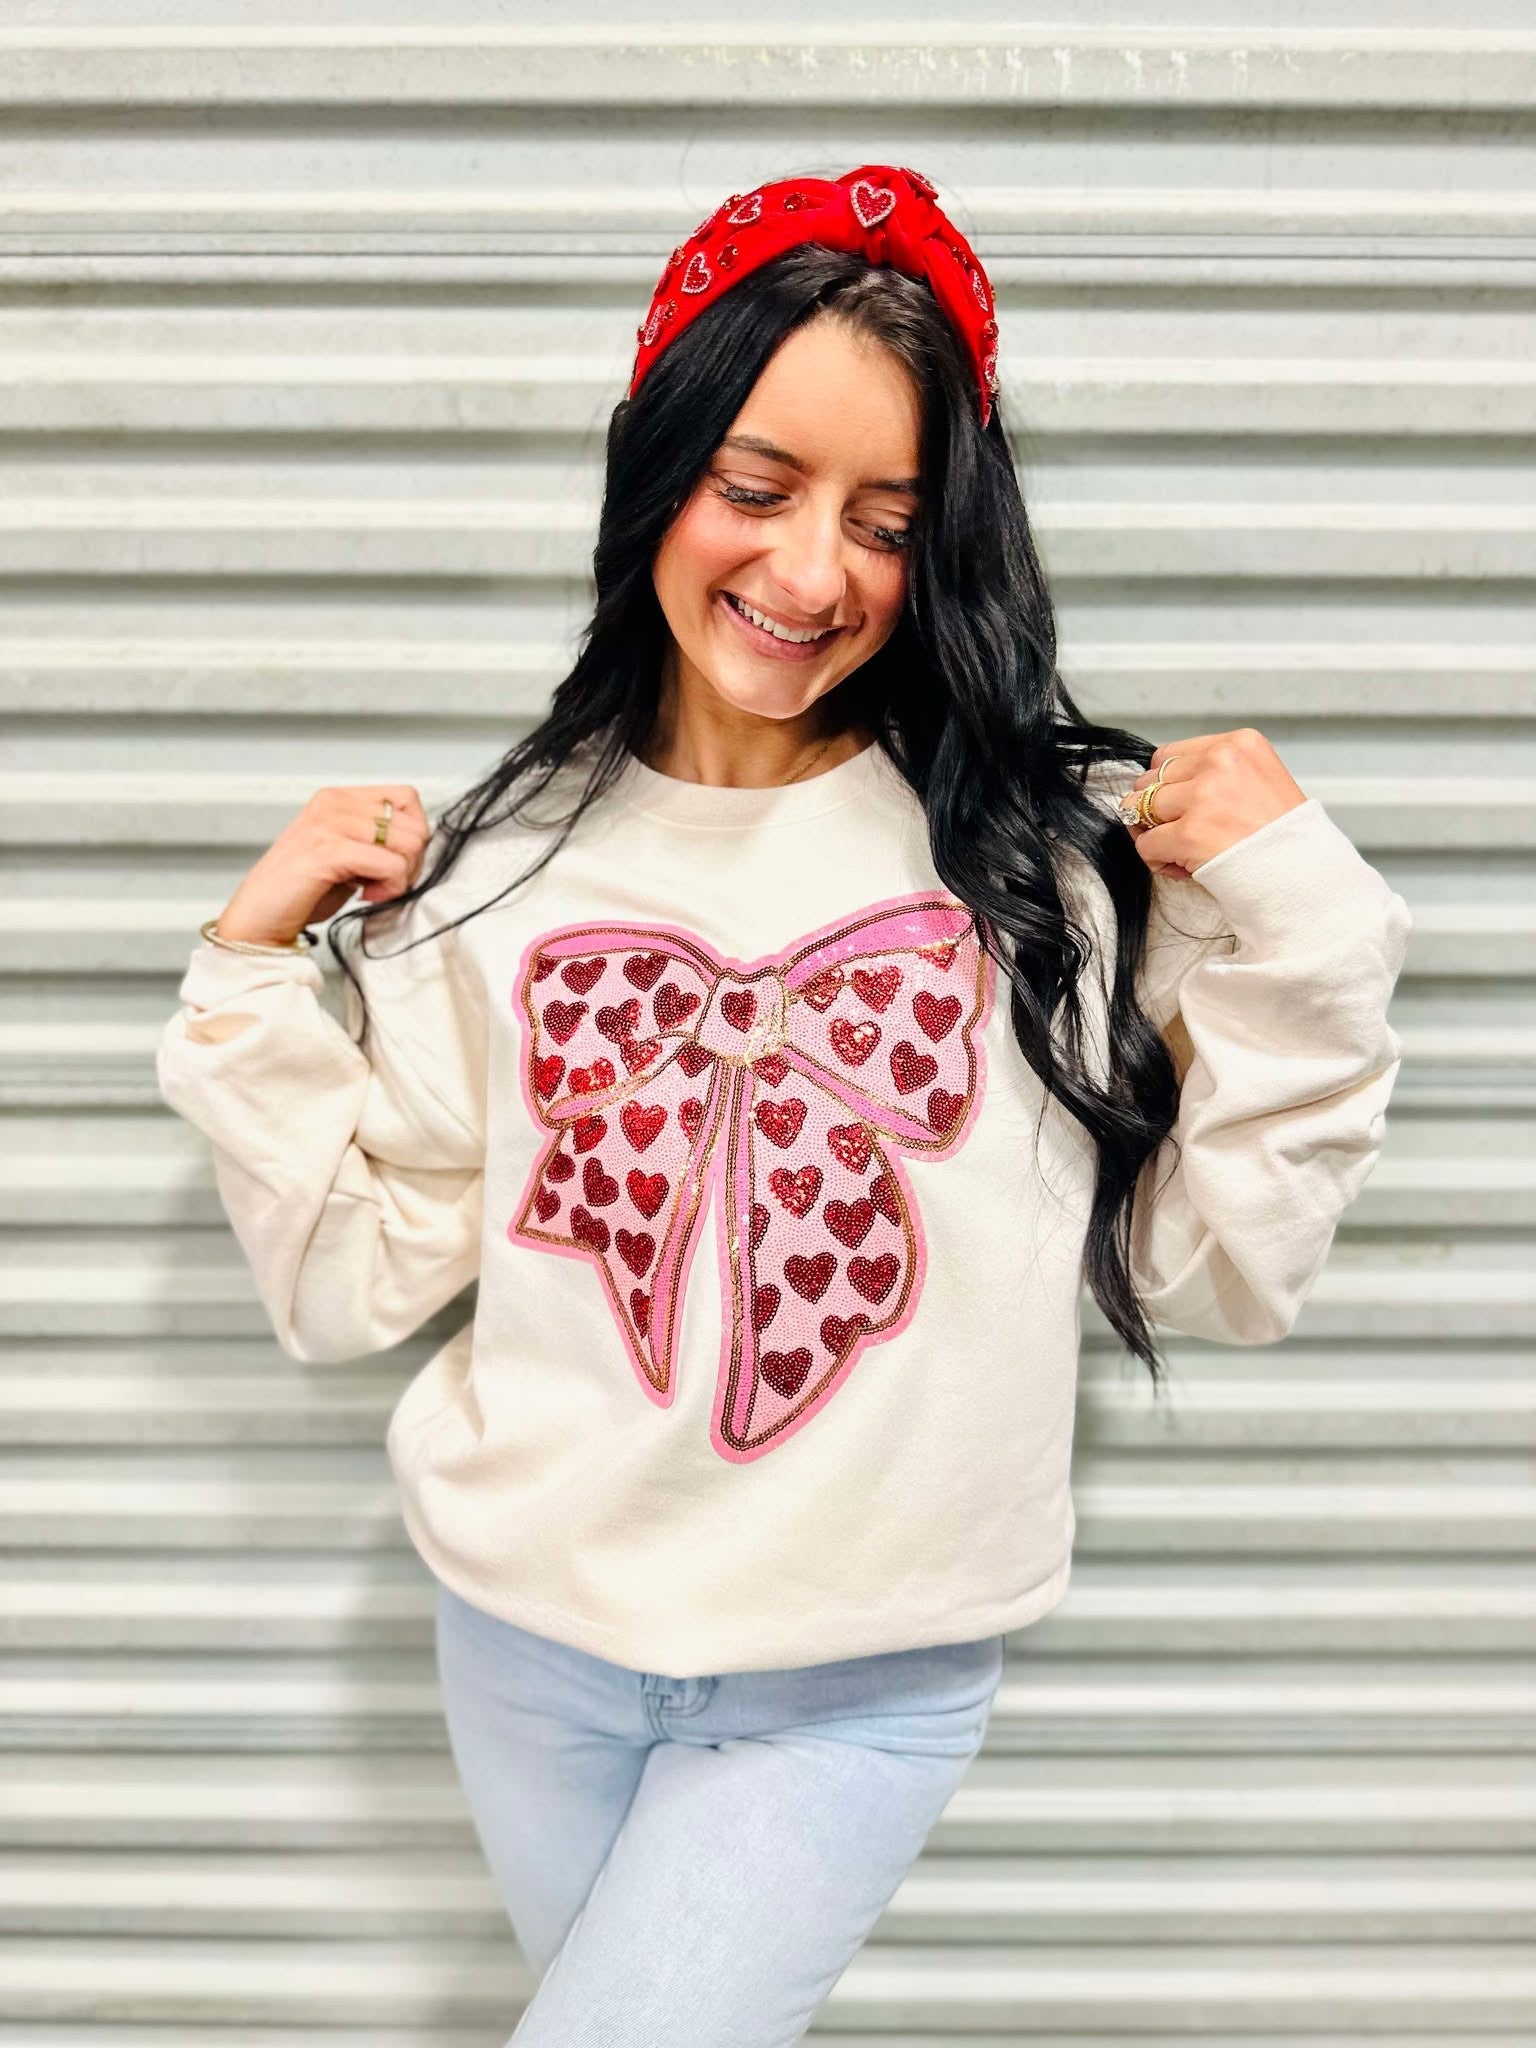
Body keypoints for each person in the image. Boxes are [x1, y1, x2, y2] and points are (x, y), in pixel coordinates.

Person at [155, 163, 1412, 2045]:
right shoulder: (499, 870)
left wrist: (1310, 923)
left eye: (887, 522)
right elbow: (348, 1283)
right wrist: (253, 982)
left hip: (856, 1685)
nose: (810, 572)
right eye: (755, 488)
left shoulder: (1036, 876)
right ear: (652, 470)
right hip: (527, 1649)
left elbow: (1224, 1274)